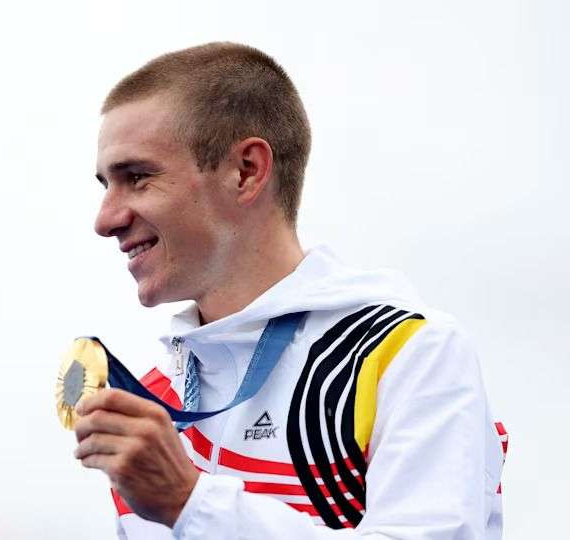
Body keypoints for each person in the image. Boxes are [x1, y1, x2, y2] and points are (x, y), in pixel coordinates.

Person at [73, 42, 507, 539]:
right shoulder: (157, 399)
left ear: (247, 171)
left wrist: (190, 501)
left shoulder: (409, 356)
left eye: (137, 177)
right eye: (106, 184)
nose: (106, 219)